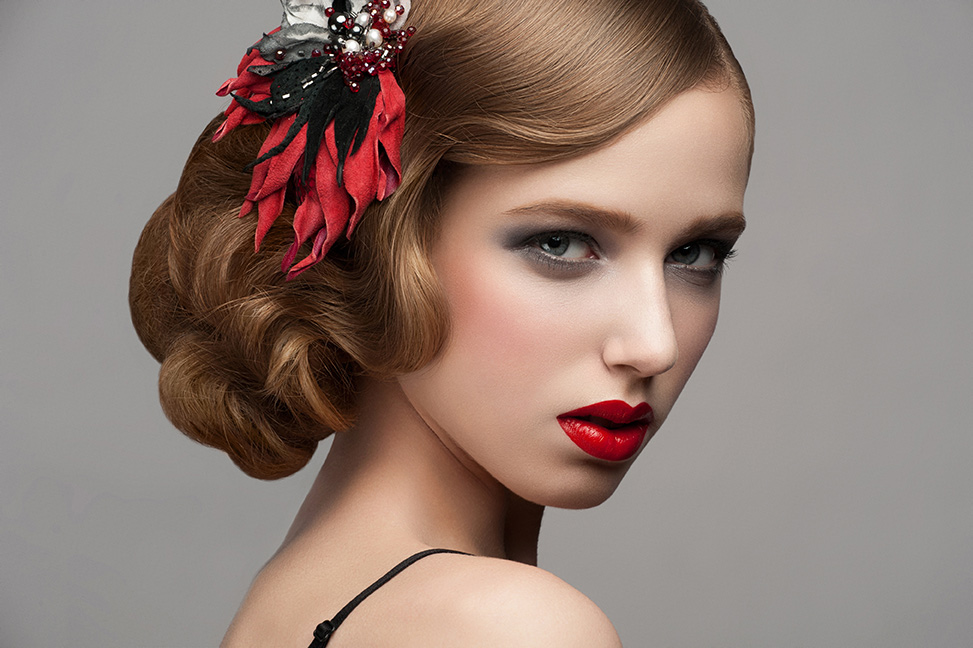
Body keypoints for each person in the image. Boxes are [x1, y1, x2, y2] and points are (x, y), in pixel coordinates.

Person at [129, 0, 754, 645]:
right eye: (560, 244)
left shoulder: (296, 597)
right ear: (384, 237)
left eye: (696, 254)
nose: (654, 345)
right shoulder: (509, 628)